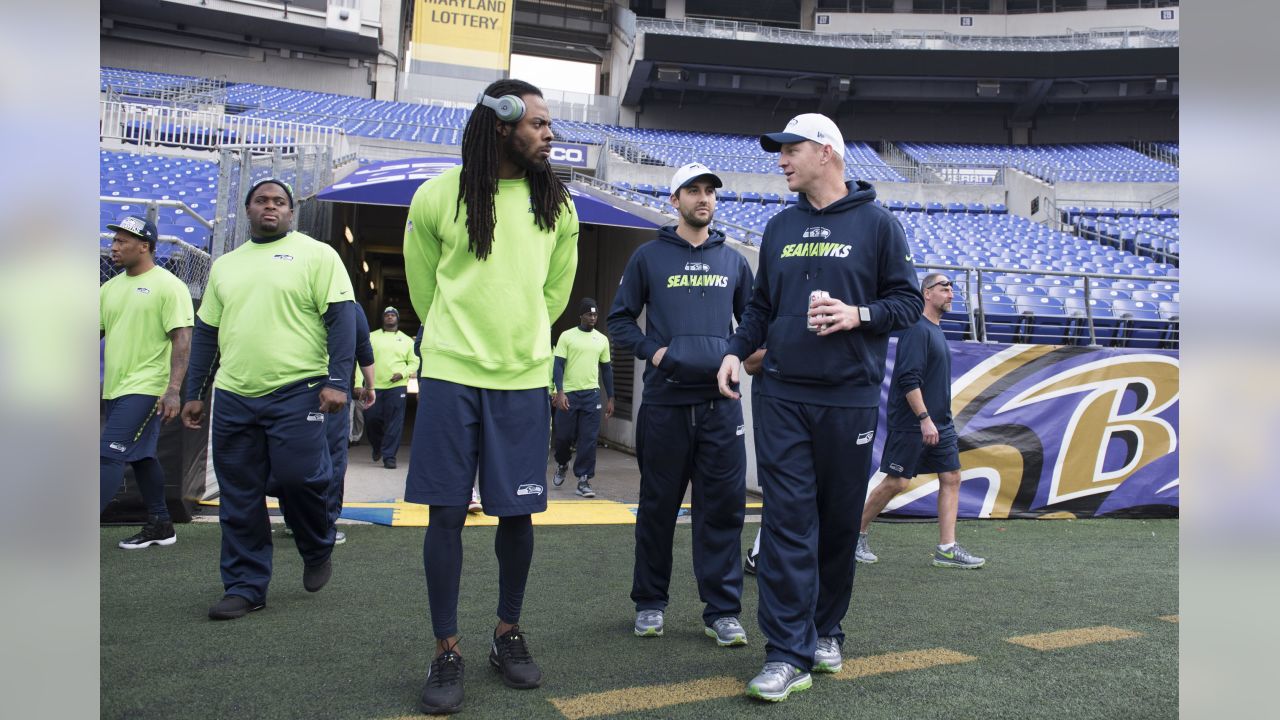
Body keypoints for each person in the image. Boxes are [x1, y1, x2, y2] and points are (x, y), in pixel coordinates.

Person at [715, 113, 922, 702]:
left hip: (849, 400)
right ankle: (785, 652)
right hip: (780, 394)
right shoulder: (779, 226)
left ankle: (826, 629)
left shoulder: (879, 224)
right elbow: (758, 308)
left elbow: (907, 303)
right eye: (779, 150)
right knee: (785, 525)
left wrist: (860, 315)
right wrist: (735, 352)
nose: (780, 159)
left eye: (790, 149)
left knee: (835, 526)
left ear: (826, 152)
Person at [403, 78, 578, 715]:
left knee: (517, 513)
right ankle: (445, 647)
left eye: (550, 123)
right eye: (536, 123)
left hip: (523, 377)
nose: (548, 133)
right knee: (445, 513)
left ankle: (507, 632)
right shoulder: (436, 197)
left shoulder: (557, 204)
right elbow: (424, 291)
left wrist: (521, 340)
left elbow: (555, 295)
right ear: (500, 125)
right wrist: (457, 343)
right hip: (450, 376)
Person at [181, 178, 355, 621]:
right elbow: (206, 335)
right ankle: (245, 586)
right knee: (239, 497)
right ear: (248, 209)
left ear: (291, 212)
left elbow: (341, 322)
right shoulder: (226, 265)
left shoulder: (318, 255)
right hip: (236, 394)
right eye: (262, 201)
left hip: (299, 390)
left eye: (280, 201)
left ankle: (316, 545)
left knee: (299, 478)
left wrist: (337, 381)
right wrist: (194, 392)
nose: (270, 207)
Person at [607, 162, 754, 646]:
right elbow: (621, 321)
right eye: (693, 190)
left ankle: (722, 611)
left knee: (722, 512)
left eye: (710, 190)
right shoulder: (649, 257)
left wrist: (738, 353)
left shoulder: (733, 260)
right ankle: (650, 603)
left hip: (720, 407)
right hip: (666, 406)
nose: (704, 198)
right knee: (657, 508)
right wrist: (657, 352)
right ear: (674, 200)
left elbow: (753, 325)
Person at [856, 273, 985, 569]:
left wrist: (936, 420)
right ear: (927, 293)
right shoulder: (916, 329)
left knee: (951, 477)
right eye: (944, 288)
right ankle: (855, 534)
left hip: (941, 423)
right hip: (914, 422)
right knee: (897, 482)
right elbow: (908, 379)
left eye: (952, 288)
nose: (951, 293)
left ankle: (947, 549)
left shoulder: (936, 330)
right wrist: (924, 418)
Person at [100, 215, 193, 549]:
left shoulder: (169, 286)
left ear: (145, 246)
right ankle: (160, 524)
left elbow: (182, 341)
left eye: (123, 241)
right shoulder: (109, 288)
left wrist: (172, 391)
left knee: (107, 456)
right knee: (141, 457)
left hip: (147, 389)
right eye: (114, 241)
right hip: (114, 388)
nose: (114, 247)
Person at [552, 298, 615, 499]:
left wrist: (612, 397)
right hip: (569, 394)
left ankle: (584, 479)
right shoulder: (567, 337)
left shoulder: (602, 340)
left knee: (588, 440)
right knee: (563, 437)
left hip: (591, 395)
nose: (593, 318)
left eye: (596, 315)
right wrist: (559, 391)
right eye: (589, 314)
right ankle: (562, 463)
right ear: (581, 315)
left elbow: (606, 370)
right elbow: (558, 365)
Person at [366, 306, 415, 469]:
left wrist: (402, 373)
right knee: (372, 419)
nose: (389, 317)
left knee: (394, 422)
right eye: (387, 314)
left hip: (397, 386)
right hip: (374, 385)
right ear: (382, 318)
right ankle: (378, 446)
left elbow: (415, 362)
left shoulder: (407, 340)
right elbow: (363, 361)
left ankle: (389, 457)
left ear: (397, 319)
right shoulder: (371, 337)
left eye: (393, 315)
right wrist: (360, 384)